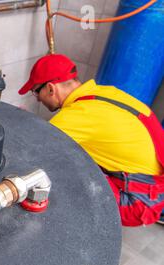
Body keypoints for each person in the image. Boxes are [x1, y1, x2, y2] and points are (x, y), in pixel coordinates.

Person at [19, 54, 164, 227]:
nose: (36, 98)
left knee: (56, 174)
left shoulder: (75, 116)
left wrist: (22, 122)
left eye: (36, 91)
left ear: (51, 89)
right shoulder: (104, 93)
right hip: (153, 184)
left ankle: (78, 233)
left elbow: (30, 150)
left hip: (142, 202)